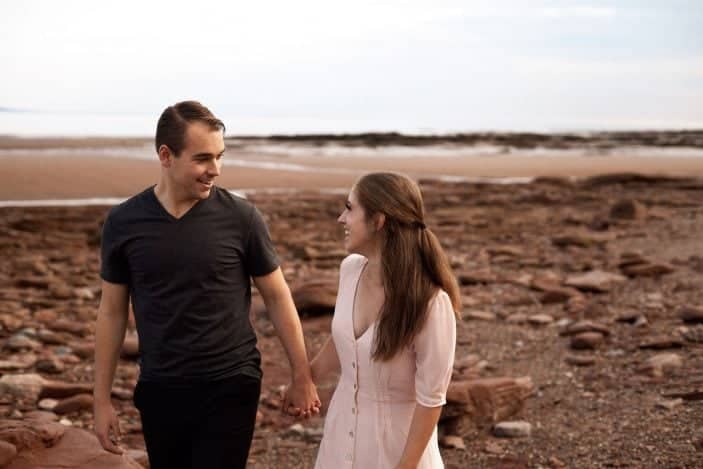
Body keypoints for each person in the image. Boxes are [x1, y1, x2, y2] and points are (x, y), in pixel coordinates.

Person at [93, 100, 320, 469]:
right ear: (166, 155)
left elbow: (278, 298)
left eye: (220, 156)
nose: (214, 169)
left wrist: (302, 376)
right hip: (160, 385)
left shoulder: (241, 217)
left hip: (231, 382)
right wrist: (100, 400)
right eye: (202, 158)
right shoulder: (123, 222)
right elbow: (111, 312)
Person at [304, 172, 461, 468]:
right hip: (338, 441)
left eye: (350, 209)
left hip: (397, 452)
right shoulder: (350, 270)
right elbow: (344, 340)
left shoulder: (431, 304)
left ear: (379, 221)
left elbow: (431, 402)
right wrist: (306, 379)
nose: (341, 219)